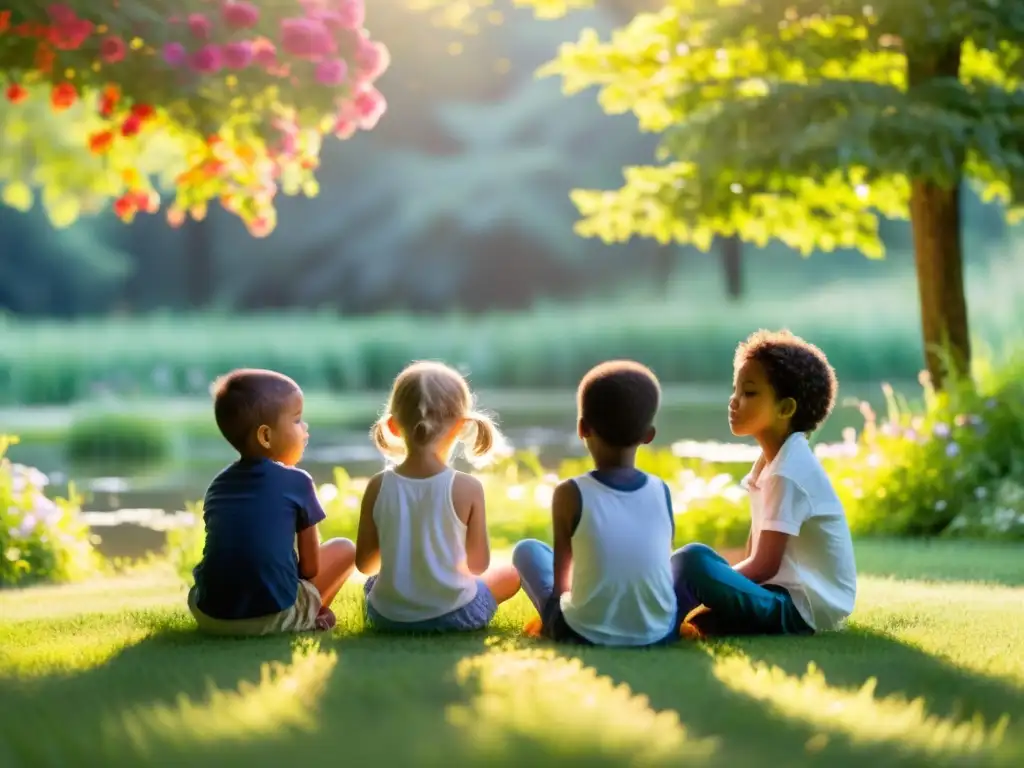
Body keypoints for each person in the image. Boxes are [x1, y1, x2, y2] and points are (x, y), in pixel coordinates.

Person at [674, 329, 857, 637]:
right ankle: (658, 611)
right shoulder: (771, 464)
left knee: (694, 562)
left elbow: (763, 566)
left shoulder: (789, 472)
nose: (734, 401)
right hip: (780, 596)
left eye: (749, 393)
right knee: (699, 566)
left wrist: (713, 588)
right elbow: (753, 557)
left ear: (785, 409)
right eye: (735, 390)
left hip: (801, 611)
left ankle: (652, 620)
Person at [512, 360, 684, 646]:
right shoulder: (661, 490)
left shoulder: (570, 492)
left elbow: (561, 578)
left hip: (583, 632)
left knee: (527, 551)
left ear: (582, 428)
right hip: (660, 632)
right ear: (648, 435)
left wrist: (555, 611)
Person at [355, 361, 521, 632]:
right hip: (454, 616)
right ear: (460, 426)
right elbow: (478, 566)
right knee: (511, 574)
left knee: (372, 583)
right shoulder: (467, 487)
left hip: (388, 618)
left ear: (395, 426)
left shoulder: (377, 485)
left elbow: (365, 564)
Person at [188, 369, 355, 636]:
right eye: (297, 420)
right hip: (271, 616)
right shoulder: (298, 482)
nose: (305, 428)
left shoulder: (217, 485)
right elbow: (310, 569)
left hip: (209, 614)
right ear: (265, 436)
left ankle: (305, 612)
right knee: (345, 548)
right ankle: (312, 615)